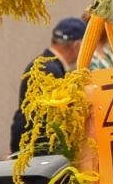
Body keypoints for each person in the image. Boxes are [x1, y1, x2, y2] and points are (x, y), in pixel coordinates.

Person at [9, 17, 84, 152]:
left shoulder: (43, 65)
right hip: (37, 152)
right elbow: (53, 122)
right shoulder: (50, 72)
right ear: (77, 46)